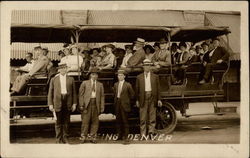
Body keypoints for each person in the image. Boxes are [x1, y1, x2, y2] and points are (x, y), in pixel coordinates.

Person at [48, 63, 77, 144]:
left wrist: (74, 103)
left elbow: (74, 92)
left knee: (67, 121)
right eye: (61, 68)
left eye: (64, 68)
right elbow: (50, 93)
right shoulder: (54, 79)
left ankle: (65, 138)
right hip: (57, 102)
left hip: (67, 102)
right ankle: (58, 139)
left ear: (66, 69)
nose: (63, 69)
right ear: (59, 70)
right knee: (58, 121)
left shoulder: (71, 79)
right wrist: (50, 104)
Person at [135, 59, 162, 138]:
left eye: (148, 65)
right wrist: (137, 100)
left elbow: (158, 89)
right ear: (143, 67)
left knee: (152, 116)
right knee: (142, 117)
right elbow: (137, 89)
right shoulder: (139, 77)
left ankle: (151, 132)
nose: (147, 67)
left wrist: (159, 99)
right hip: (143, 98)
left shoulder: (155, 76)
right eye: (145, 65)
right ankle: (143, 133)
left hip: (152, 97)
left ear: (150, 66)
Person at [79, 67, 105, 143]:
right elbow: (81, 95)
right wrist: (81, 104)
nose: (95, 76)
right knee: (85, 121)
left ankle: (93, 137)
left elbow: (102, 96)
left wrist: (102, 106)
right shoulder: (85, 83)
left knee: (95, 122)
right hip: (87, 104)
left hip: (95, 104)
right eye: (93, 74)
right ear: (90, 75)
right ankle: (83, 137)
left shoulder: (100, 85)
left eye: (96, 75)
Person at [113, 69, 135, 144]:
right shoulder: (116, 84)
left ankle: (126, 137)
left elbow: (132, 95)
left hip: (125, 104)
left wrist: (128, 103)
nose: (120, 77)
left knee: (125, 121)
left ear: (124, 76)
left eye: (121, 75)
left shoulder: (128, 85)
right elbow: (115, 95)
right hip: (118, 103)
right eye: (118, 75)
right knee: (118, 120)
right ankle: (119, 135)